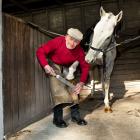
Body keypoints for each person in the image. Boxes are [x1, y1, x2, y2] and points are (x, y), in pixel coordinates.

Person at [36, 28, 90, 128]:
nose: (73, 43)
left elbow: (85, 66)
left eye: (76, 41)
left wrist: (82, 82)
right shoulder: (57, 41)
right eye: (71, 39)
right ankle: (57, 119)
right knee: (58, 90)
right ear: (66, 36)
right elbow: (40, 51)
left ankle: (75, 116)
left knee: (74, 90)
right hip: (54, 65)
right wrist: (45, 65)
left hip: (68, 67)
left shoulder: (79, 51)